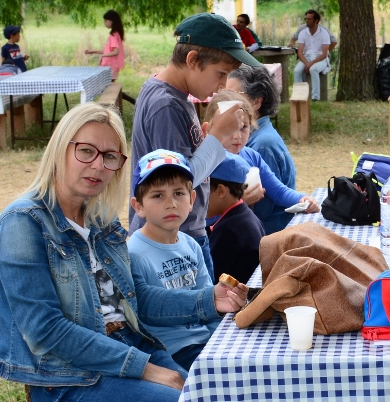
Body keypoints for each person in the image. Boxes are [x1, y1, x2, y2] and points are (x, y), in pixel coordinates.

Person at [0, 103, 248, 402]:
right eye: (86, 151)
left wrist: (208, 299)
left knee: (219, 391)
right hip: (70, 376)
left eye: (110, 157)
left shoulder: (100, 222)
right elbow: (45, 330)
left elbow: (135, 298)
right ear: (59, 150)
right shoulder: (24, 221)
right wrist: (144, 369)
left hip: (132, 342)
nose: (98, 166)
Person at [129, 12, 262, 278]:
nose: (223, 84)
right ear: (192, 60)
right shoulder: (165, 104)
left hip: (184, 234)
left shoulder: (176, 96)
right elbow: (180, 180)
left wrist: (215, 139)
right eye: (221, 73)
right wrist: (216, 137)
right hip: (169, 243)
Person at [128, 150, 220, 371]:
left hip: (205, 344)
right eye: (158, 196)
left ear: (192, 200)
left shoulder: (191, 245)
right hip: (171, 352)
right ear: (138, 206)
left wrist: (222, 342)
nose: (171, 204)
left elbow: (210, 299)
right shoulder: (133, 253)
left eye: (179, 193)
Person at [203, 91, 319, 235]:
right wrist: (237, 203)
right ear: (208, 128)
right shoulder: (204, 163)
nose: (237, 136)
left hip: (246, 236)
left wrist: (302, 199)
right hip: (216, 240)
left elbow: (279, 191)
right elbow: (197, 215)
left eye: (243, 127)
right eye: (229, 128)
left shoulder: (252, 156)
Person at [226, 65, 299, 232]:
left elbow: (261, 211)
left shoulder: (261, 145)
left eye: (233, 95)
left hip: (268, 234)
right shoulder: (246, 139)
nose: (225, 101)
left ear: (257, 102)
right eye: (223, 93)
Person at [207, 152, 266, 283]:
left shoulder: (228, 230)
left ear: (221, 191)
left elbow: (210, 277)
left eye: (201, 190)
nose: (195, 198)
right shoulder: (245, 216)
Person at [292, 9, 331, 101]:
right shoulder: (303, 33)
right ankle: (299, 96)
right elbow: (300, 52)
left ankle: (315, 97)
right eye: (306, 19)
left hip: (320, 59)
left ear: (316, 21)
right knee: (297, 70)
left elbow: (324, 54)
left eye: (309, 19)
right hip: (307, 58)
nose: (307, 21)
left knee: (314, 69)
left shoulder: (324, 33)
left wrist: (310, 64)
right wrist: (307, 63)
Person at [85, 10, 126, 81]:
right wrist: (93, 51)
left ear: (112, 21)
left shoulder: (113, 35)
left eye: (106, 21)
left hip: (110, 66)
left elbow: (116, 51)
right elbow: (109, 51)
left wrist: (103, 56)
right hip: (111, 66)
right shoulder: (117, 34)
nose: (105, 23)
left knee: (107, 87)